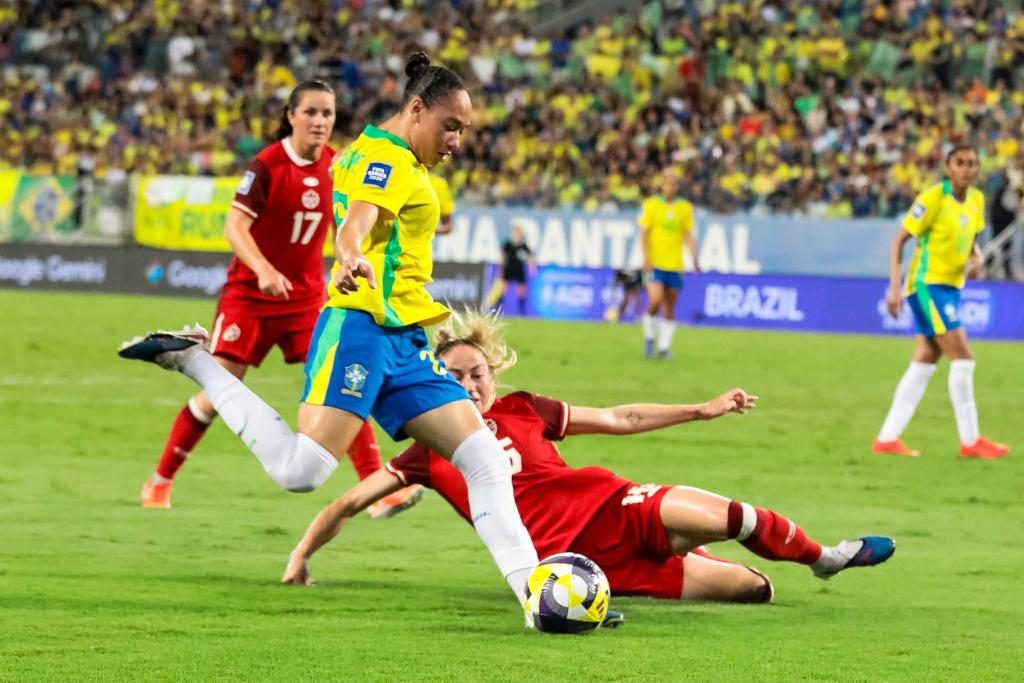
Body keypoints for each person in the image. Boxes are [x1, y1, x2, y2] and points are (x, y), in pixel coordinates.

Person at [120, 53, 540, 614]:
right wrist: (348, 256)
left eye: (463, 129)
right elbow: (357, 222)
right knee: (302, 471)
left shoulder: (373, 151)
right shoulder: (385, 160)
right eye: (451, 126)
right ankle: (195, 361)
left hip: (405, 336)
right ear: (417, 109)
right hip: (362, 328)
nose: (458, 140)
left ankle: (540, 599)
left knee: (484, 459)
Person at [282, 310, 896, 604]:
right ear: (436, 383)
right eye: (456, 377)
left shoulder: (525, 408)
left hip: (615, 508)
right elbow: (349, 499)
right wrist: (303, 552)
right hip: (580, 567)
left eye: (477, 374)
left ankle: (824, 558)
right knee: (755, 590)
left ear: (492, 374)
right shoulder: (426, 451)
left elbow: (619, 417)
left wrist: (700, 409)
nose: (470, 386)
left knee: (736, 515)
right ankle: (687, 545)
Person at [138, 80, 414, 515]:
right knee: (220, 387)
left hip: (306, 300)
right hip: (250, 296)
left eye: (327, 113)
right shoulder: (266, 165)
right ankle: (160, 480)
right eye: (311, 112)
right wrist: (264, 269)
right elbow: (235, 226)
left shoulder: (338, 165)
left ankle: (378, 490)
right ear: (291, 115)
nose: (320, 121)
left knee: (343, 381)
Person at [873, 144, 1010, 460]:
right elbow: (899, 240)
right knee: (963, 357)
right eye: (960, 162)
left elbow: (972, 241)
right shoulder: (932, 198)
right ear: (948, 166)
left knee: (924, 361)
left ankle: (887, 438)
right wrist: (894, 288)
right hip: (926, 285)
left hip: (951, 287)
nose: (966, 168)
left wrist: (977, 260)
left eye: (972, 163)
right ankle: (971, 441)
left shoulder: (976, 199)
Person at [639, 171, 701, 358]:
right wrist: (646, 258)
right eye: (667, 184)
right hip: (656, 263)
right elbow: (644, 233)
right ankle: (650, 336)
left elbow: (688, 235)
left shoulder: (684, 207)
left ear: (677, 187)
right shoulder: (651, 205)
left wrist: (695, 259)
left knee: (670, 307)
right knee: (655, 300)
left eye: (673, 184)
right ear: (662, 186)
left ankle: (664, 347)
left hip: (675, 265)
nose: (670, 187)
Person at [484, 223, 533, 314]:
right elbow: (503, 257)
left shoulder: (523, 246)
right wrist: (501, 268)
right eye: (515, 232)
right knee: (502, 290)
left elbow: (530, 257)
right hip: (508, 269)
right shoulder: (508, 245)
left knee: (521, 292)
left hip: (519, 271)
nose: (517, 234)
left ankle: (522, 312)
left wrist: (531, 267)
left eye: (519, 233)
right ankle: (497, 310)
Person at [430, 171, 456, 236]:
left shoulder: (438, 184)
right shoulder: (403, 177)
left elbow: (448, 225)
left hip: (420, 244)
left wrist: (426, 231)